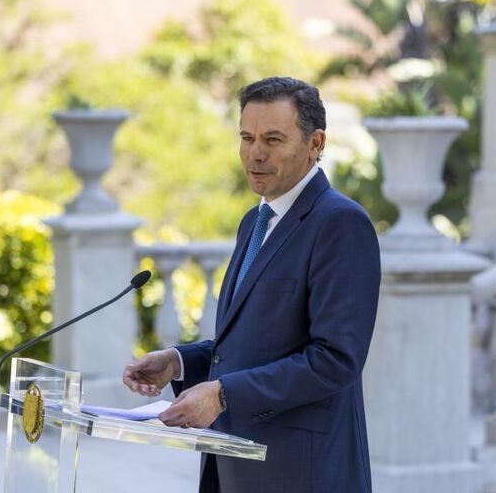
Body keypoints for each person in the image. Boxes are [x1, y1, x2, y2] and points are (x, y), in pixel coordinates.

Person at [122, 76, 381, 492]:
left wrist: (224, 395)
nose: (255, 154)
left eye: (273, 140)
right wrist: (179, 362)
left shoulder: (340, 223)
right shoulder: (254, 223)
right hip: (235, 468)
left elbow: (336, 359)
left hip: (302, 474)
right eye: (247, 137)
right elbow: (253, 346)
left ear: (316, 143)